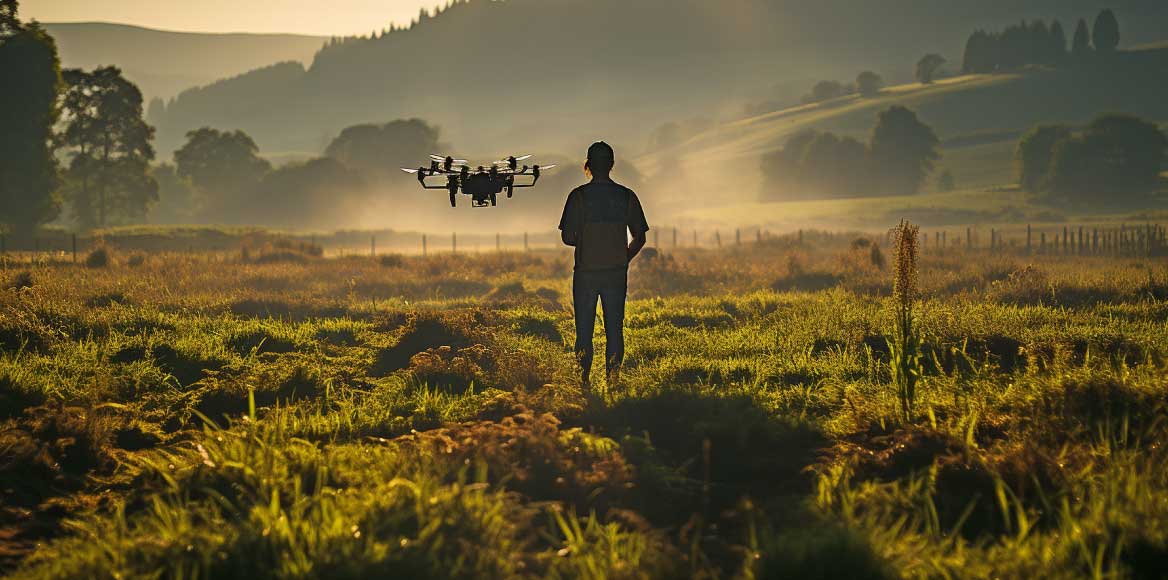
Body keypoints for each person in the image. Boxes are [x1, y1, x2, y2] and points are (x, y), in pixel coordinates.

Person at [558, 141, 649, 393]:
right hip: (615, 274)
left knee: (584, 331)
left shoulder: (578, 197)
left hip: (586, 274)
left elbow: (567, 237)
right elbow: (640, 237)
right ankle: (613, 382)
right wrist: (623, 258)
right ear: (611, 165)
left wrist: (586, 239)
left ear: (588, 165)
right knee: (615, 331)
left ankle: (584, 383)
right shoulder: (626, 196)